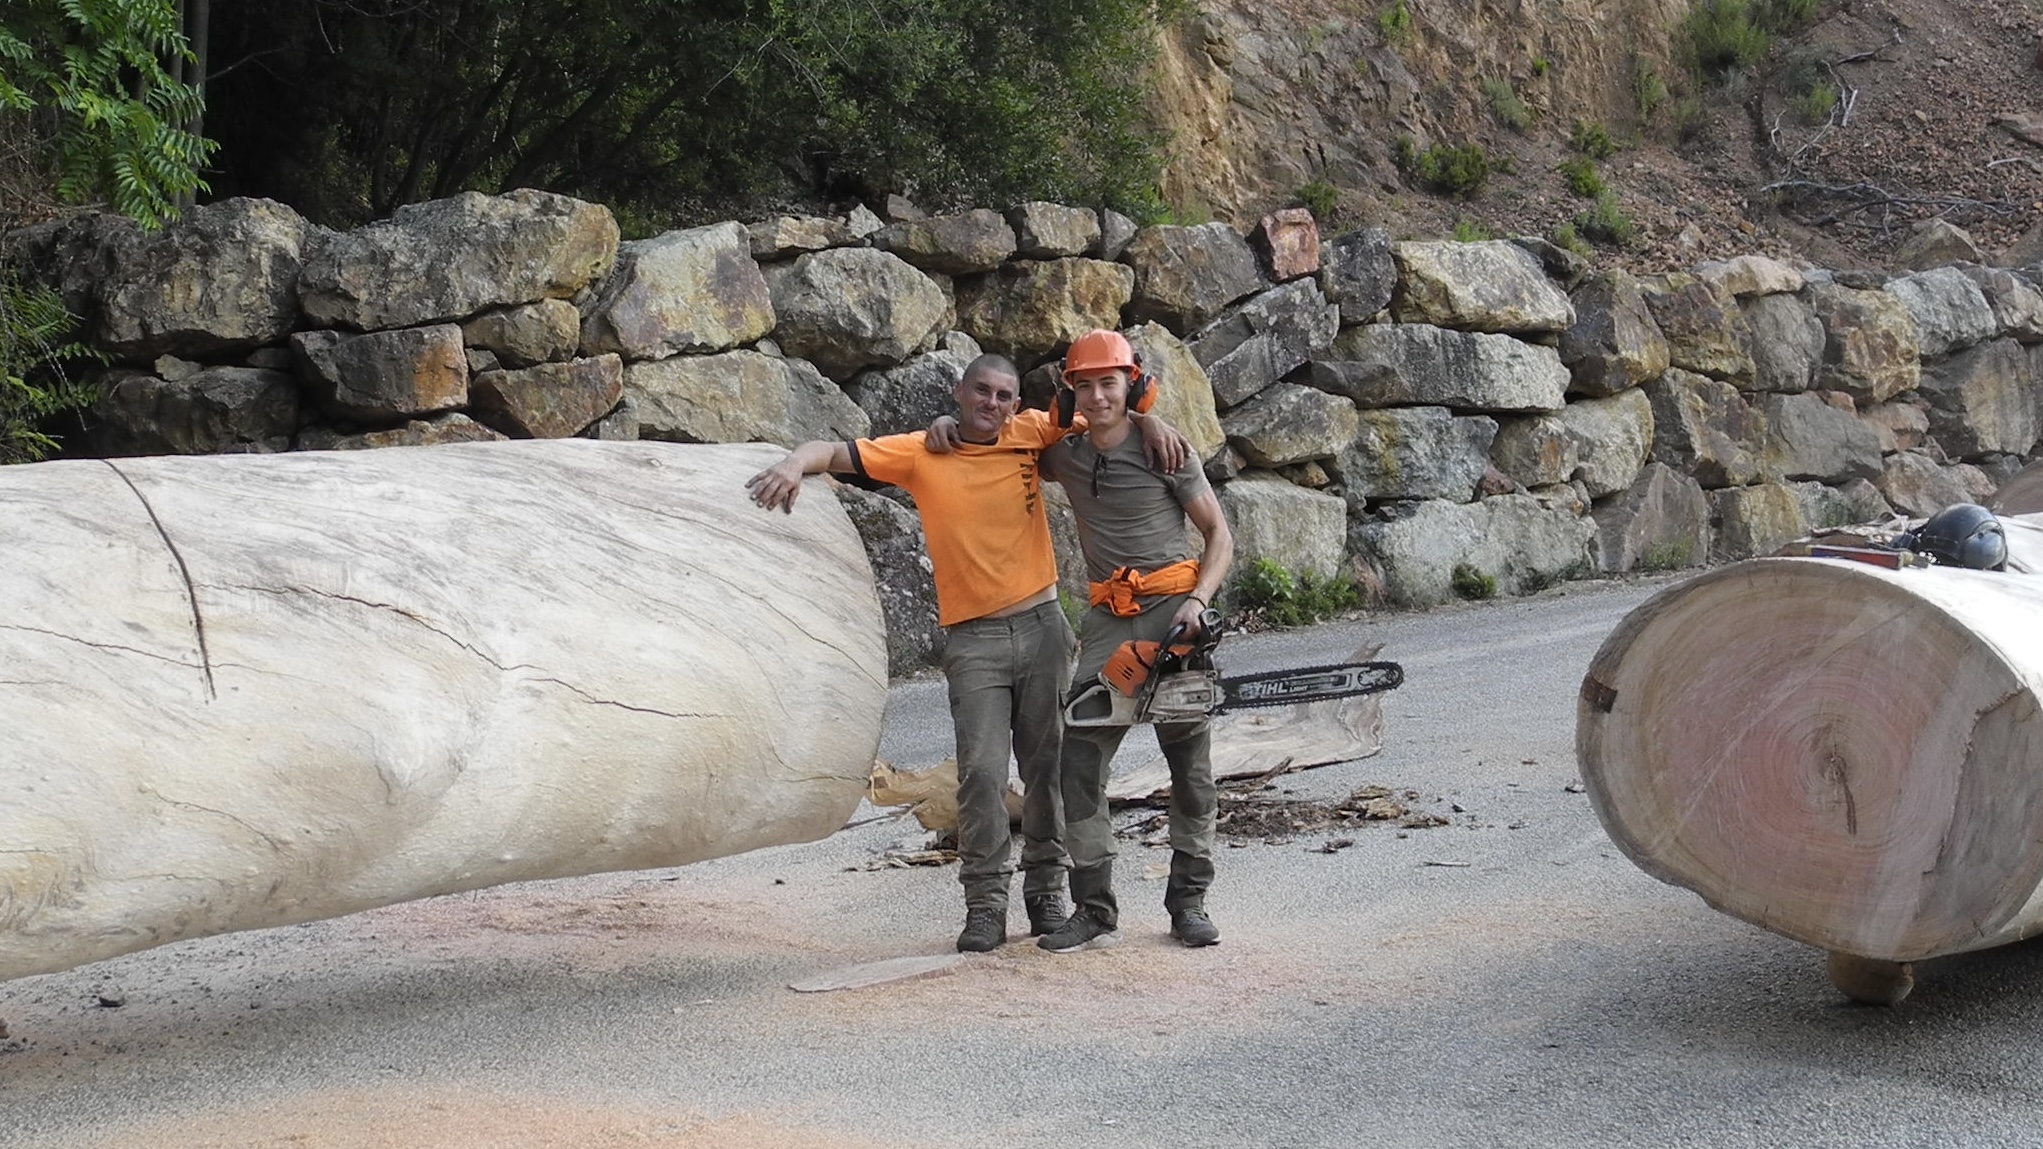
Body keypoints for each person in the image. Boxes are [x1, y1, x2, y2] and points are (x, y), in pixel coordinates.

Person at [745, 353, 1187, 953]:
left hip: (1043, 627)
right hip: (973, 639)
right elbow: (836, 453)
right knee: (980, 775)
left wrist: (1152, 418)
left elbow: (1107, 419)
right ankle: (984, 905)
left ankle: (1047, 893)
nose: (993, 404)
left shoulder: (1033, 430)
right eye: (982, 391)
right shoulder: (920, 453)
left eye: (1005, 395)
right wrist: (796, 462)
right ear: (959, 391)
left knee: (1046, 770)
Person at [1028, 330, 1234, 954]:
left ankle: (1189, 900)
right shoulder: (1064, 455)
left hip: (1175, 609)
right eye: (1084, 385)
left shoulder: (1169, 451)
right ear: (1070, 392)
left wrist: (1199, 605)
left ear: (1133, 383)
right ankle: (1094, 907)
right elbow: (1013, 442)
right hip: (1107, 622)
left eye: (1109, 383)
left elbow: (1219, 537)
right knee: (1079, 762)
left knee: (1189, 767)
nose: (1097, 396)